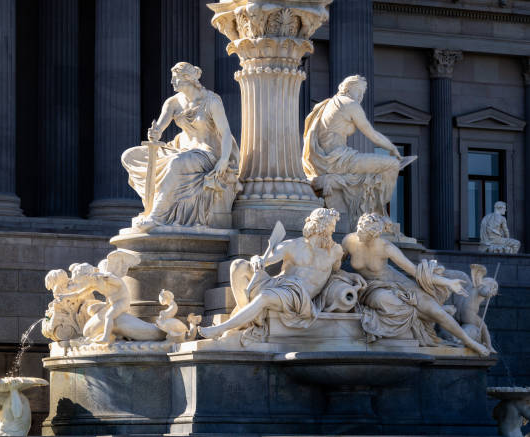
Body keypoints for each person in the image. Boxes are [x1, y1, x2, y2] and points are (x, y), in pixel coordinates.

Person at [342, 213, 490, 356]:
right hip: (373, 287)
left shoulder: (386, 247)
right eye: (359, 231)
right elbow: (336, 268)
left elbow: (414, 271)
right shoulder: (349, 241)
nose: (359, 236)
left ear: (375, 235)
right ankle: (423, 317)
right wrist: (352, 275)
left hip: (398, 282)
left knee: (436, 312)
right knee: (386, 300)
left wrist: (448, 282)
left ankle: (470, 342)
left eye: (364, 235)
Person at [121, 62, 240, 231]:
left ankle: (156, 215)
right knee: (130, 156)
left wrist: (224, 160)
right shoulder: (173, 103)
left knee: (175, 163)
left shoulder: (211, 101)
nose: (172, 82)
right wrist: (154, 133)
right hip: (181, 150)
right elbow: (160, 128)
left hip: (206, 153)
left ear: (189, 79)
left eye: (175, 78)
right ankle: (154, 204)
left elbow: (226, 133)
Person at [199, 208, 345, 342]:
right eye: (331, 226)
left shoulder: (335, 251)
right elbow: (266, 261)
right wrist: (257, 259)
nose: (333, 230)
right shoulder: (293, 245)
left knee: (265, 296)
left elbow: (337, 274)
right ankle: (248, 318)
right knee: (238, 265)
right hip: (281, 284)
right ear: (320, 227)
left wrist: (353, 280)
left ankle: (221, 329)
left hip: (299, 296)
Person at [302, 75, 412, 222]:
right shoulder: (350, 104)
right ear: (348, 88)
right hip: (340, 161)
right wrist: (392, 148)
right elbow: (371, 134)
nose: (361, 95)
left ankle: (374, 210)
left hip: (326, 160)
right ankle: (379, 213)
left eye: (363, 92)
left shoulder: (328, 104)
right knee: (393, 164)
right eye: (359, 90)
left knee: (372, 171)